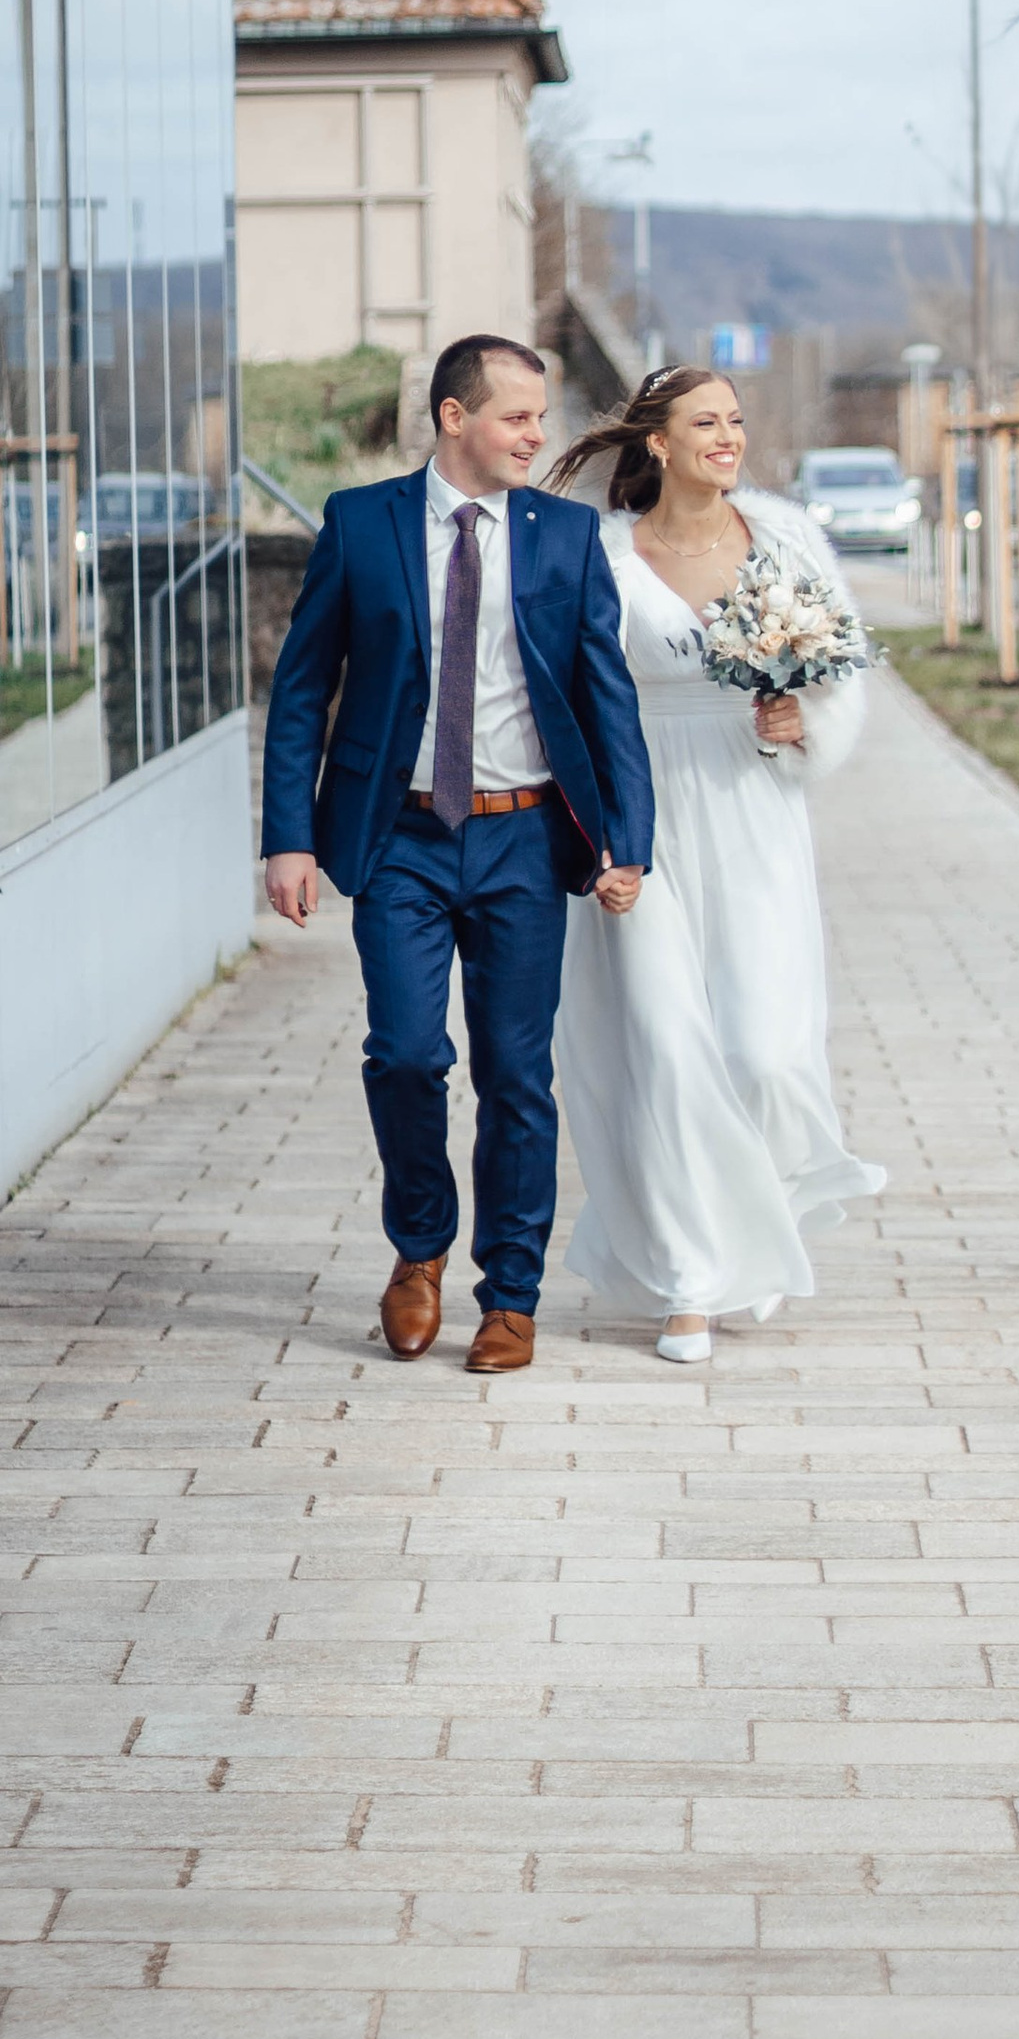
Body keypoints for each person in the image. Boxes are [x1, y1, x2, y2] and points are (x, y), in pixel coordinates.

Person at [261, 332, 655, 1375]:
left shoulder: (567, 539)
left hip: (527, 837)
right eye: (518, 416)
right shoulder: (361, 525)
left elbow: (606, 701)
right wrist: (289, 838)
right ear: (453, 417)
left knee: (517, 1075)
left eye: (540, 416)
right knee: (404, 1054)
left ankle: (511, 1297)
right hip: (397, 835)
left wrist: (627, 840)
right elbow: (302, 688)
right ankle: (418, 1251)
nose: (538, 435)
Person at [548, 365, 884, 1363]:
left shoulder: (784, 540)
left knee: (765, 1051)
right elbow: (564, 696)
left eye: (736, 420)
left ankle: (762, 1212)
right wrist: (587, 834)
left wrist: (801, 719)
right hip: (635, 813)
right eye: (707, 422)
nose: (728, 437)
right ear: (658, 441)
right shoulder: (602, 557)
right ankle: (690, 1278)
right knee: (658, 1042)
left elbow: (846, 673)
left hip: (751, 805)